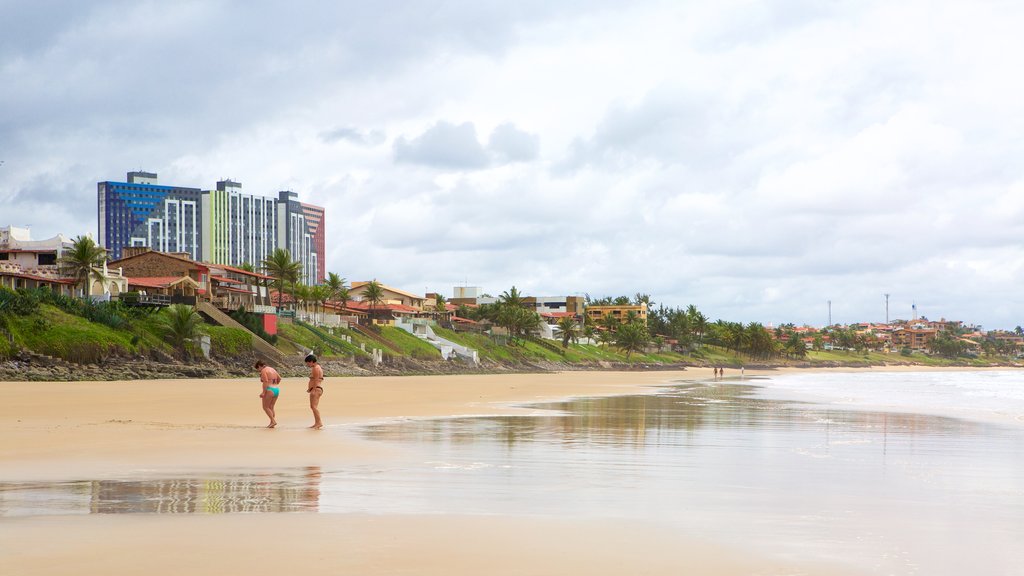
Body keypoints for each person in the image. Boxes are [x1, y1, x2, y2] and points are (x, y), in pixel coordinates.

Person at [255, 360, 281, 428]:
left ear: (260, 366)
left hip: (269, 390)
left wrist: (263, 392)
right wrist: (274, 384)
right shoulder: (272, 369)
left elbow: (265, 381)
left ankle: (273, 421)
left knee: (265, 407)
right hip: (276, 389)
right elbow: (279, 378)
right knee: (271, 407)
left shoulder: (264, 371)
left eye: (258, 369)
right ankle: (272, 423)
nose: (259, 371)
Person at [305, 354, 324, 429]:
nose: (307, 364)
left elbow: (316, 379)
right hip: (317, 388)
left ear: (312, 361)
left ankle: (319, 423)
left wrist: (313, 389)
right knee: (313, 407)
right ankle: (317, 423)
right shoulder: (317, 367)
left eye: (308, 363)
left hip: (316, 389)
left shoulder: (315, 368)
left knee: (314, 407)